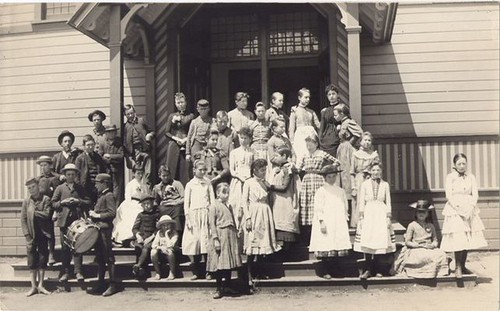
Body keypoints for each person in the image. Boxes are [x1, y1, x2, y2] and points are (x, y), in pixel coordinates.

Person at [440, 153, 487, 278]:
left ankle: (464, 265)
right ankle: (457, 267)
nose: (462, 166)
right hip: (455, 210)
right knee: (458, 236)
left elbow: (475, 194)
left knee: (467, 237)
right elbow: (448, 195)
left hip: (469, 209)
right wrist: (459, 209)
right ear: (454, 165)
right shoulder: (450, 177)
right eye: (459, 164)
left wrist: (471, 208)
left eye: (464, 163)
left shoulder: (471, 177)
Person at [353, 162, 396, 279]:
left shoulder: (385, 184)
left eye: (378, 170)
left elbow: (388, 202)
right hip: (369, 213)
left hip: (381, 213)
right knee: (368, 239)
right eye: (373, 170)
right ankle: (367, 270)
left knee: (380, 240)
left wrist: (388, 217)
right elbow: (361, 201)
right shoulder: (365, 184)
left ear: (381, 171)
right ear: (370, 171)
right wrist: (361, 217)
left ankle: (379, 270)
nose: (375, 172)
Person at [309, 164, 351, 279]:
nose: (332, 179)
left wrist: (344, 219)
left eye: (334, 176)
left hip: (337, 221)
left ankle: (335, 270)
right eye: (329, 177)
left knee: (335, 244)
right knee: (326, 244)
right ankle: (324, 270)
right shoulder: (321, 191)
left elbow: (344, 206)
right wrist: (322, 221)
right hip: (326, 221)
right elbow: (318, 208)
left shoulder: (340, 191)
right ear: (325, 178)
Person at [241, 159, 281, 282]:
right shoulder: (248, 183)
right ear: (255, 170)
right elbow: (244, 201)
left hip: (264, 213)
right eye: (262, 170)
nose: (264, 172)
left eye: (265, 170)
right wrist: (247, 218)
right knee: (252, 244)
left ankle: (260, 273)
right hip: (253, 213)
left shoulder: (265, 183)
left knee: (263, 244)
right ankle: (248, 275)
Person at [51, 163, 91, 282]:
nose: (70, 176)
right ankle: (66, 272)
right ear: (65, 175)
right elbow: (53, 203)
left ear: (76, 175)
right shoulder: (60, 188)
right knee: (65, 248)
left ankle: (78, 272)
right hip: (64, 222)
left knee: (78, 245)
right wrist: (63, 203)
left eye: (73, 174)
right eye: (68, 174)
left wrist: (78, 201)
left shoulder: (80, 188)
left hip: (77, 222)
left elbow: (88, 201)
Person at [394, 200, 449, 279]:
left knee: (442, 255)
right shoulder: (412, 225)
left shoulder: (431, 226)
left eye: (424, 212)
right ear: (416, 213)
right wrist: (416, 245)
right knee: (421, 257)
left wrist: (433, 245)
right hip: (416, 248)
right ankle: (419, 273)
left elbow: (435, 240)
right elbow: (407, 241)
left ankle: (436, 272)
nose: (421, 214)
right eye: (419, 212)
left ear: (427, 214)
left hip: (428, 247)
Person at [297, 134, 338, 241]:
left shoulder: (321, 153)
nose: (308, 147)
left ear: (316, 144)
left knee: (319, 203)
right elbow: (298, 168)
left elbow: (336, 162)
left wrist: (326, 170)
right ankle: (309, 233)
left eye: (310, 144)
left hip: (318, 179)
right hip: (307, 181)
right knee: (307, 204)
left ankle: (321, 229)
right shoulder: (304, 154)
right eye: (307, 145)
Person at [207, 182, 242, 299]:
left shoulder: (229, 206)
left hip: (230, 235)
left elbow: (232, 220)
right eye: (224, 193)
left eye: (228, 193)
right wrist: (216, 239)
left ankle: (227, 285)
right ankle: (219, 288)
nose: (226, 195)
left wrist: (236, 231)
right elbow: (212, 224)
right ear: (217, 193)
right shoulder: (214, 206)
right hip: (220, 236)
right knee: (219, 263)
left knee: (228, 262)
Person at [182, 160, 216, 280]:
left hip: (205, 214)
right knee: (195, 243)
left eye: (204, 170)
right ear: (194, 170)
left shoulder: (208, 183)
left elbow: (212, 200)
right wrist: (188, 218)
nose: (202, 172)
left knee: (206, 243)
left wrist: (211, 215)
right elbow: (186, 203)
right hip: (193, 216)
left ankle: (208, 271)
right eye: (200, 170)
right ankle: (196, 271)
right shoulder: (190, 185)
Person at [87, 173, 119, 297]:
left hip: (105, 230)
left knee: (108, 257)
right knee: (100, 258)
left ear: (105, 183)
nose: (95, 185)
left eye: (97, 182)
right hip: (98, 230)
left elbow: (112, 213)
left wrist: (97, 215)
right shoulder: (101, 196)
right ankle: (101, 284)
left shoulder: (109, 195)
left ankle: (112, 285)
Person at [21, 178, 52, 296]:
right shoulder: (26, 201)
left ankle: (41, 285)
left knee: (43, 259)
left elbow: (47, 215)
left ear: (38, 186)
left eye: (33, 187)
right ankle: (33, 286)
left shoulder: (46, 199)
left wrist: (34, 212)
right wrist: (26, 235)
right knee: (32, 260)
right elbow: (23, 219)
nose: (31, 190)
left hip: (43, 234)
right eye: (29, 188)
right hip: (31, 235)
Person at [268, 147, 300, 249]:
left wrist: (269, 187)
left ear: (284, 156)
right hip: (278, 202)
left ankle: (287, 252)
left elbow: (284, 187)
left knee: (285, 224)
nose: (276, 158)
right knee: (278, 222)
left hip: (285, 201)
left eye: (278, 156)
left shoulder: (289, 168)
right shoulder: (280, 169)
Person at [335, 103, 363, 214]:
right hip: (342, 150)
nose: (334, 117)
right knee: (342, 175)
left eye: (336, 115)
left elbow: (359, 133)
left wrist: (349, 144)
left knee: (347, 175)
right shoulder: (343, 123)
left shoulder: (349, 122)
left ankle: (351, 208)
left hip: (346, 151)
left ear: (342, 114)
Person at [165, 92, 195, 185]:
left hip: (186, 144)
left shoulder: (191, 116)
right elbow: (166, 132)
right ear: (175, 104)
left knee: (185, 169)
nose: (180, 105)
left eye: (182, 102)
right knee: (172, 168)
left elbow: (193, 131)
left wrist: (186, 139)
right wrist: (175, 138)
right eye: (178, 103)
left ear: (185, 102)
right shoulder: (172, 116)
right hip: (174, 145)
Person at [35, 155, 60, 265]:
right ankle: (42, 254)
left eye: (45, 165)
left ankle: (51, 254)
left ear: (50, 166)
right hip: (38, 208)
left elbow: (56, 196)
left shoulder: (54, 179)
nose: (43, 167)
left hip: (49, 208)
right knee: (39, 231)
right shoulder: (37, 179)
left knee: (49, 233)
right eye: (41, 166)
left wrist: (55, 211)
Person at [112, 165, 147, 246]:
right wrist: (133, 205)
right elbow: (127, 197)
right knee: (132, 214)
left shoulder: (144, 185)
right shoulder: (130, 184)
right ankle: (127, 237)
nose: (140, 175)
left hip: (141, 204)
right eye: (138, 173)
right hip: (131, 203)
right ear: (134, 174)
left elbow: (146, 196)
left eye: (141, 173)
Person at [228, 127, 255, 230]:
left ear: (250, 139)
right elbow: (232, 170)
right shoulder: (234, 152)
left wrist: (250, 178)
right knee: (236, 204)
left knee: (248, 204)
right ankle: (237, 229)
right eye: (241, 138)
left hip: (249, 180)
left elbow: (254, 167)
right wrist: (240, 177)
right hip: (237, 181)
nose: (243, 140)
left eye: (245, 138)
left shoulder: (252, 152)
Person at [123, 104, 155, 188]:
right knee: (137, 173)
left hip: (144, 150)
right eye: (128, 114)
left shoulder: (141, 121)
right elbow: (125, 143)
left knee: (148, 173)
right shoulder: (125, 127)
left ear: (134, 112)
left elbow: (153, 132)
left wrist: (150, 135)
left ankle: (147, 192)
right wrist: (129, 157)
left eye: (131, 113)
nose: (130, 115)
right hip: (134, 152)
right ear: (125, 115)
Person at [288, 88, 320, 166]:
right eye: (305, 97)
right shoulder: (294, 110)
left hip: (311, 136)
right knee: (301, 158)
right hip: (300, 137)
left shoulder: (311, 112)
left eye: (309, 97)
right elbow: (291, 128)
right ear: (299, 98)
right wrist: (291, 142)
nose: (308, 99)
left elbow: (319, 125)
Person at [131, 194, 160, 278]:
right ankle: (140, 270)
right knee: (138, 247)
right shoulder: (140, 215)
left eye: (148, 203)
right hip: (142, 237)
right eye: (144, 204)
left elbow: (158, 229)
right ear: (142, 205)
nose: (146, 206)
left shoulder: (156, 214)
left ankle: (138, 265)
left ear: (152, 203)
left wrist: (151, 237)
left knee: (146, 248)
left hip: (152, 238)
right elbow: (134, 228)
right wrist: (137, 235)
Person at [75, 134, 108, 203]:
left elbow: (102, 171)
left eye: (92, 145)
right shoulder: (80, 158)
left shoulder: (98, 157)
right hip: (85, 186)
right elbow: (76, 175)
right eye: (88, 145)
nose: (90, 147)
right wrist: (79, 187)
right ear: (84, 146)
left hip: (97, 186)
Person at [152, 165, 185, 232]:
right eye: (164, 176)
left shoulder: (177, 184)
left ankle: (177, 233)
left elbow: (184, 198)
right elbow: (155, 201)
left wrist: (176, 202)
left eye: (168, 175)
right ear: (159, 176)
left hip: (176, 206)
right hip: (164, 207)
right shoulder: (157, 187)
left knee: (177, 212)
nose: (166, 177)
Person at [99, 125, 125, 203]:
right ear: (106, 134)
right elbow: (100, 155)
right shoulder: (102, 143)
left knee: (117, 190)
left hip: (117, 170)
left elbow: (121, 156)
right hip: (106, 170)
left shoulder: (119, 143)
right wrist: (105, 159)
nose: (111, 134)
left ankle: (116, 209)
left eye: (113, 132)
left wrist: (110, 156)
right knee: (107, 189)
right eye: (109, 132)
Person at [151, 215, 179, 280]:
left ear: (171, 225)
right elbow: (153, 245)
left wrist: (166, 235)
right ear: (161, 226)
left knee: (169, 251)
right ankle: (158, 273)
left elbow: (170, 246)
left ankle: (172, 272)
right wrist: (161, 248)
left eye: (168, 225)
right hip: (162, 254)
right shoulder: (159, 233)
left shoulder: (175, 233)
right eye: (163, 225)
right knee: (153, 251)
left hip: (173, 255)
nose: (166, 227)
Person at [186, 99, 213, 166]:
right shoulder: (194, 122)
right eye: (201, 109)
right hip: (196, 145)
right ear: (198, 109)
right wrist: (188, 153)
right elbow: (189, 137)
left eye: (205, 109)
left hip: (207, 145)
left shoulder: (212, 121)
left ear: (208, 109)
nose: (203, 111)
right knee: (196, 165)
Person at [266, 117, 293, 182]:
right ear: (274, 128)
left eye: (284, 127)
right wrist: (284, 161)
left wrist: (292, 162)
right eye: (281, 127)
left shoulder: (286, 140)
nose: (284, 129)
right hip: (278, 168)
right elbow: (272, 158)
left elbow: (292, 152)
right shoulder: (271, 141)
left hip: (289, 166)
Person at [318, 84, 342, 157]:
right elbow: (322, 127)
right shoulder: (325, 111)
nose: (331, 96)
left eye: (333, 94)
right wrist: (320, 138)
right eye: (329, 94)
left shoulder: (342, 108)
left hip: (337, 136)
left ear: (337, 95)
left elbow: (346, 121)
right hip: (326, 137)